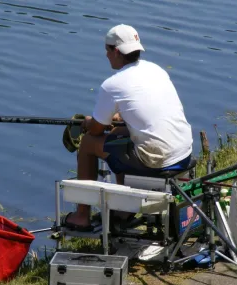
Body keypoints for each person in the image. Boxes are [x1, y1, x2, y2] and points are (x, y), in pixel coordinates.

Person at [63, 24, 193, 231]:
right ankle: (124, 210)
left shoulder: (112, 84)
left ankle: (81, 217)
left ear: (116, 51)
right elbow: (146, 112)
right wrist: (119, 118)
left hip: (158, 160)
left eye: (107, 49)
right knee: (118, 135)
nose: (106, 55)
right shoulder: (155, 69)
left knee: (88, 143)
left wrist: (89, 123)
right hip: (183, 153)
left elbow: (96, 130)